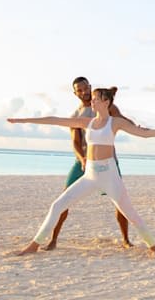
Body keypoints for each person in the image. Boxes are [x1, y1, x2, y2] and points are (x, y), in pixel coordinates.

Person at [8, 86, 155, 256]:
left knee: (131, 214)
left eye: (95, 99)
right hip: (90, 175)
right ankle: (34, 245)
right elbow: (55, 121)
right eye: (92, 99)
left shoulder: (115, 122)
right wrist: (22, 120)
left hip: (110, 175)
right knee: (57, 205)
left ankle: (153, 247)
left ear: (106, 102)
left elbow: (145, 133)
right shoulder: (87, 122)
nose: (92, 102)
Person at [46, 76, 132, 250]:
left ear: (90, 87)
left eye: (86, 88)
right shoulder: (76, 115)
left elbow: (122, 120)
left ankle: (126, 240)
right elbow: (76, 142)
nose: (84, 92)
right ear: (75, 93)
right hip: (84, 162)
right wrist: (81, 158)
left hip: (108, 162)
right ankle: (53, 240)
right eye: (80, 90)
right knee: (64, 200)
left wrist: (138, 127)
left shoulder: (107, 106)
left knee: (120, 201)